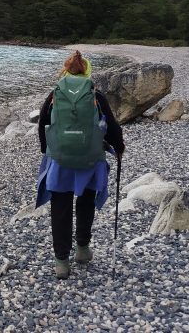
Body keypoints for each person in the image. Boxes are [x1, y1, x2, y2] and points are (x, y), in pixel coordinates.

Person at [36, 50, 125, 279]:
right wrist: (119, 148)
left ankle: (61, 263)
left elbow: (43, 123)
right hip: (89, 159)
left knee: (61, 207)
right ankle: (83, 249)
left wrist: (48, 151)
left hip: (61, 160)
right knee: (85, 202)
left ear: (65, 71)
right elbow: (113, 127)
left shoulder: (55, 94)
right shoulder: (95, 94)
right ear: (87, 70)